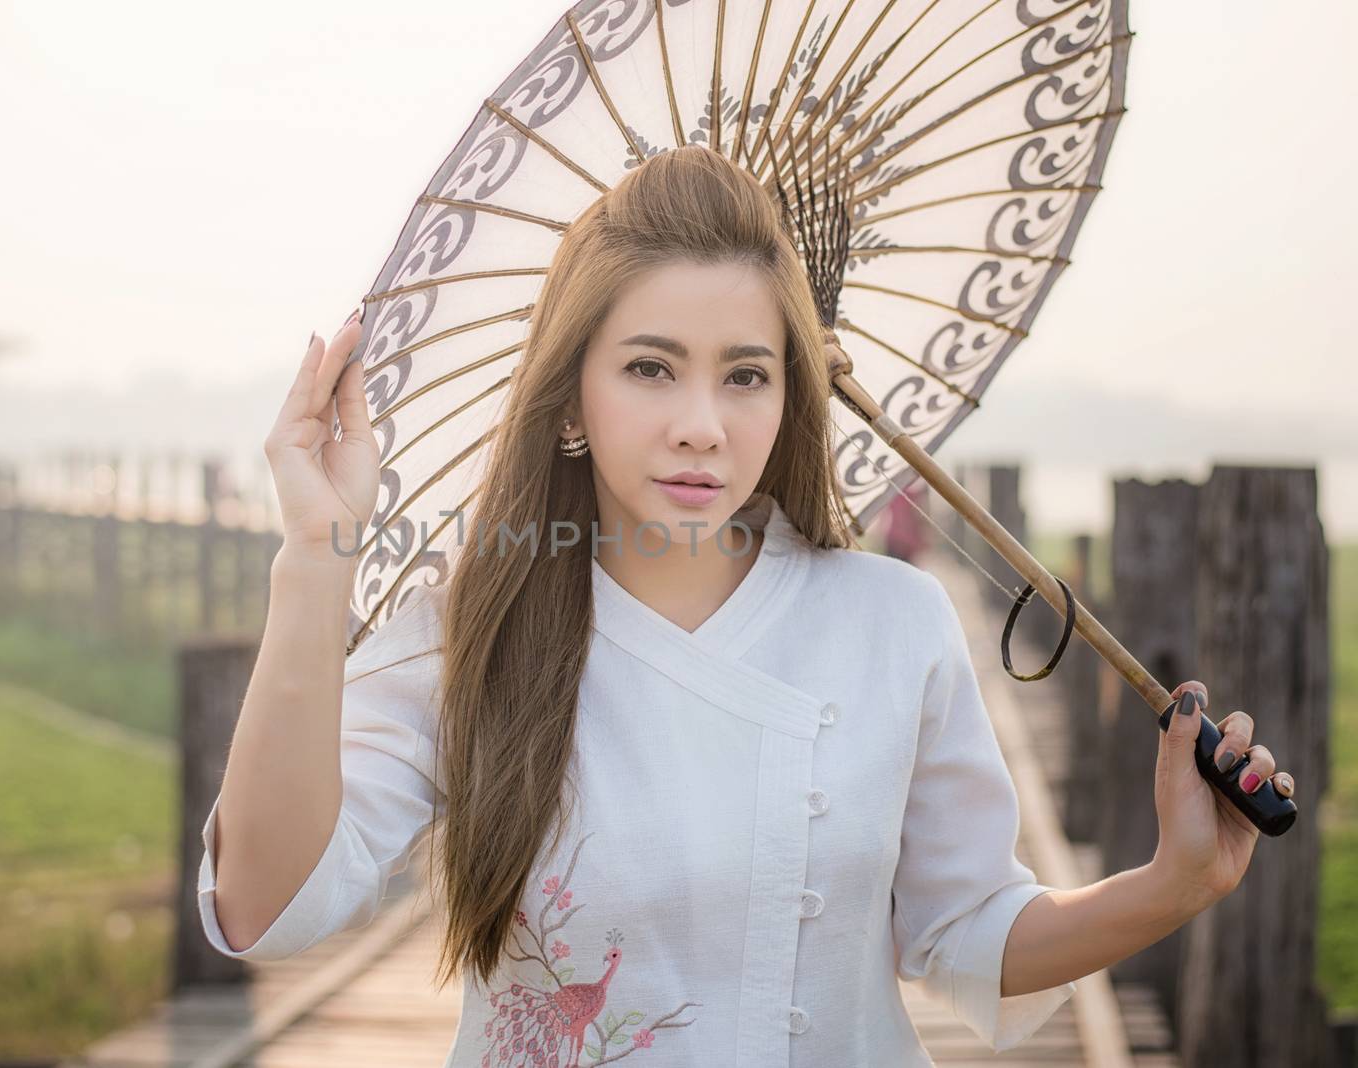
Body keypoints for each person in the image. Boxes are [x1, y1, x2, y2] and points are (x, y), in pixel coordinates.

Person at [195, 146, 1295, 1067]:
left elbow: (967, 930)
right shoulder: (465, 628)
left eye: (745, 374)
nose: (700, 424)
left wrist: (1171, 883)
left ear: (793, 391)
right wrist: (312, 556)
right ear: (572, 393)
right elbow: (266, 906)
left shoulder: (892, 621)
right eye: (650, 369)